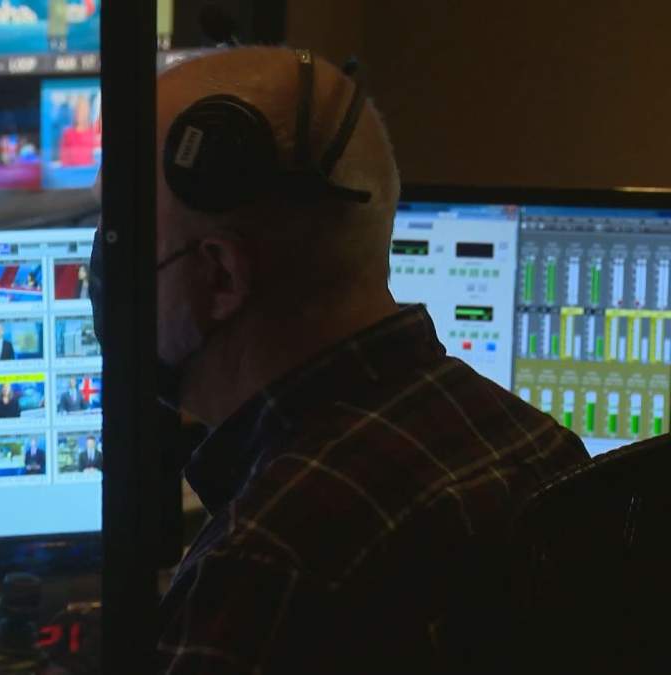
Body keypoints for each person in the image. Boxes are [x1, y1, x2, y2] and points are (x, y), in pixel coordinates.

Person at [95, 47, 590, 672]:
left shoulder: (271, 560)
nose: (104, 271)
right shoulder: (536, 445)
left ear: (219, 276)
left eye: (118, 237)